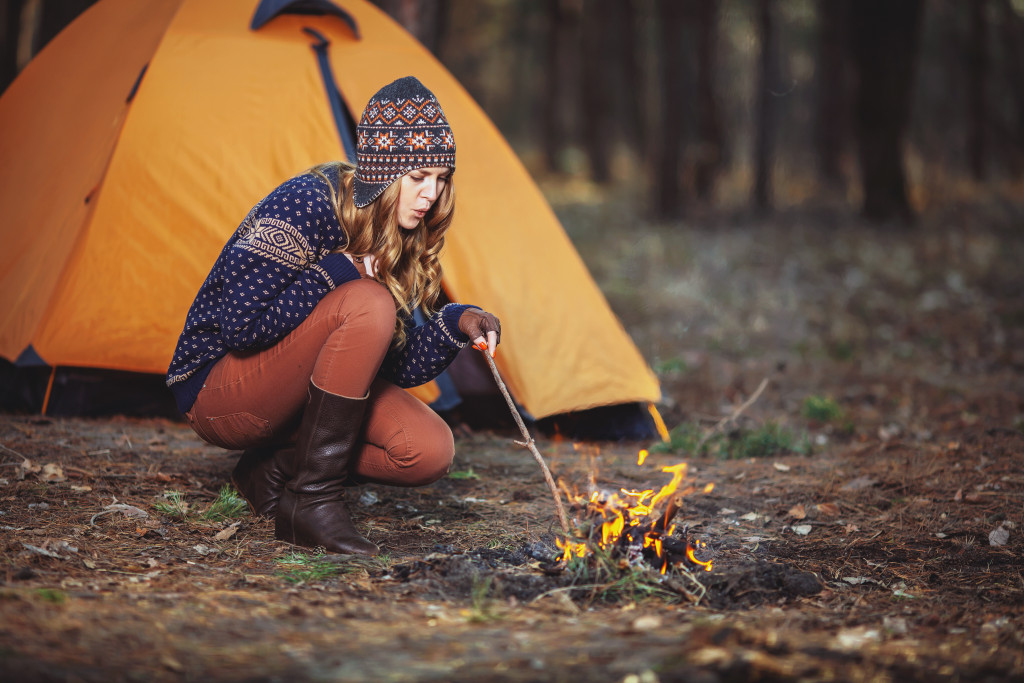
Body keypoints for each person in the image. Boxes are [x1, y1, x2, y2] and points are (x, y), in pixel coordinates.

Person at [166, 76, 500, 556]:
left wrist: (456, 322)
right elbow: (240, 329)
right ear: (384, 172)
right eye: (418, 177)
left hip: (294, 397)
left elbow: (393, 365)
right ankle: (312, 501)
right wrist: (341, 271)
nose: (431, 194)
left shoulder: (400, 231)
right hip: (215, 387)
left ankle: (273, 472)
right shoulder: (306, 203)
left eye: (441, 178)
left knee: (428, 451)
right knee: (369, 300)